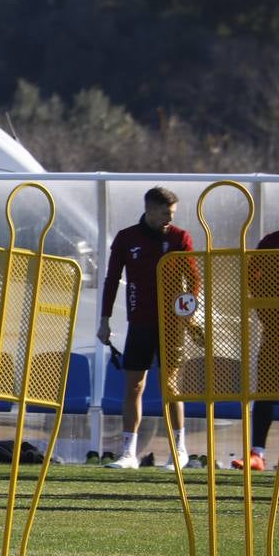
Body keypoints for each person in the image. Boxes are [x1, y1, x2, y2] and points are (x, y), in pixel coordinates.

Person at [98, 186, 196, 470]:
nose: (170, 218)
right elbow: (112, 279)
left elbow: (194, 277)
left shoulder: (179, 237)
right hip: (139, 322)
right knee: (134, 386)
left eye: (173, 213)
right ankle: (129, 453)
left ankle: (179, 450)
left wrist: (189, 313)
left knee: (171, 387)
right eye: (165, 212)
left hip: (172, 324)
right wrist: (104, 321)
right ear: (150, 210)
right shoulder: (127, 238)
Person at [233, 227, 279, 472]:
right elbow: (250, 274)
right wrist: (265, 310)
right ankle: (257, 453)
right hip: (275, 332)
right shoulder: (273, 241)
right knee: (266, 391)